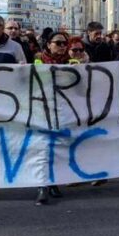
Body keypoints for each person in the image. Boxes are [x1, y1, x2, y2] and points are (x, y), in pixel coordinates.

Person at [33, 31, 73, 204]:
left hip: (63, 112)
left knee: (57, 150)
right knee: (43, 149)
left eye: (65, 44)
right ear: (48, 44)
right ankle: (43, 186)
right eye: (58, 43)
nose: (62, 46)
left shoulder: (72, 63)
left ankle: (54, 183)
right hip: (41, 112)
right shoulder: (36, 62)